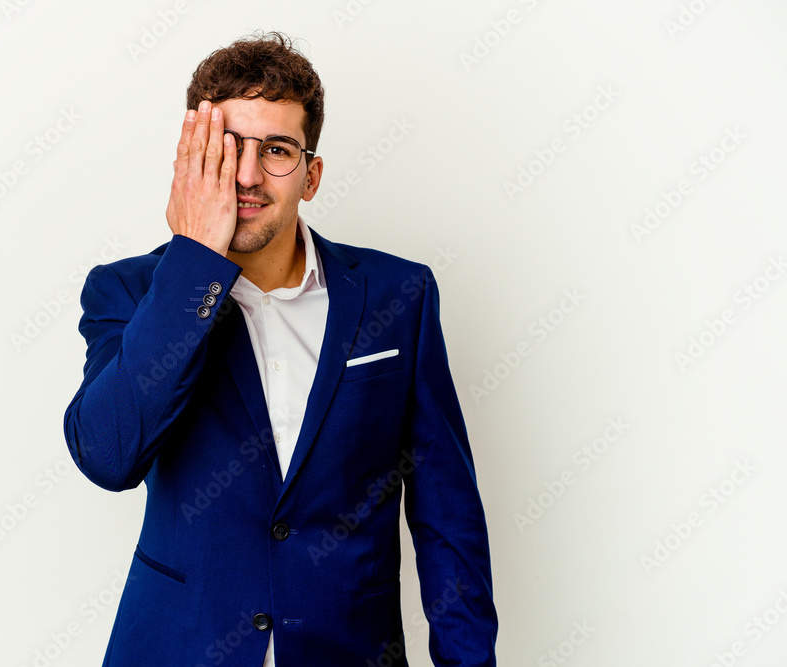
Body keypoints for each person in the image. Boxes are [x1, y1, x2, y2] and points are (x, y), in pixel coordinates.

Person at [63, 31, 497, 667]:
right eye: (226, 149)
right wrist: (194, 261)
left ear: (311, 174)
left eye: (275, 151)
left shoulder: (399, 296)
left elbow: (445, 515)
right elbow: (107, 455)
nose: (246, 174)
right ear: (191, 161)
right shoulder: (129, 291)